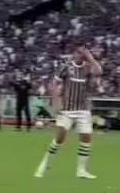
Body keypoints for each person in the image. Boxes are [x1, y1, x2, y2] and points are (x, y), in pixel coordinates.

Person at [34, 44, 102, 180]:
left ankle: (81, 170)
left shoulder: (88, 67)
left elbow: (99, 71)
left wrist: (90, 57)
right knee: (59, 139)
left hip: (83, 109)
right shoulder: (66, 67)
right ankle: (43, 165)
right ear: (74, 54)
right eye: (78, 52)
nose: (80, 55)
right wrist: (56, 103)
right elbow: (54, 84)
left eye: (82, 53)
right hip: (67, 109)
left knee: (86, 139)